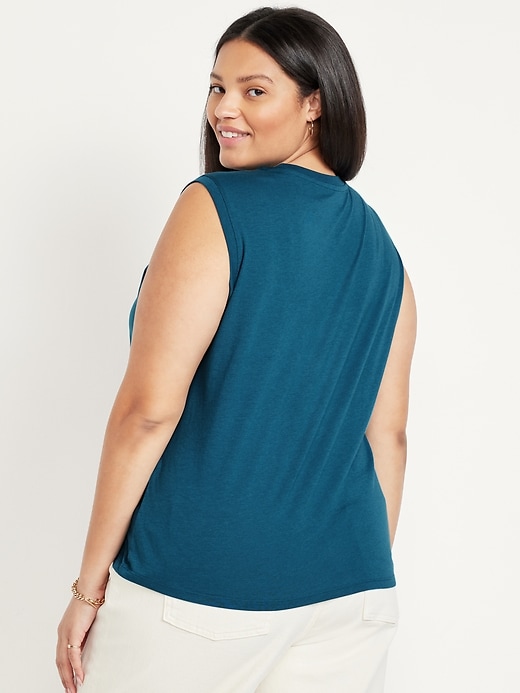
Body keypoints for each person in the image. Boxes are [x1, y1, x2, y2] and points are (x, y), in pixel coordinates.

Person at [56, 6, 416, 692]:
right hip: (354, 593)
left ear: (314, 104)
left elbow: (147, 413)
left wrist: (88, 587)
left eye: (255, 90)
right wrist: (346, 570)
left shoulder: (214, 206)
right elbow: (389, 436)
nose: (224, 108)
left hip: (202, 588)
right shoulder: (384, 249)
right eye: (217, 87)